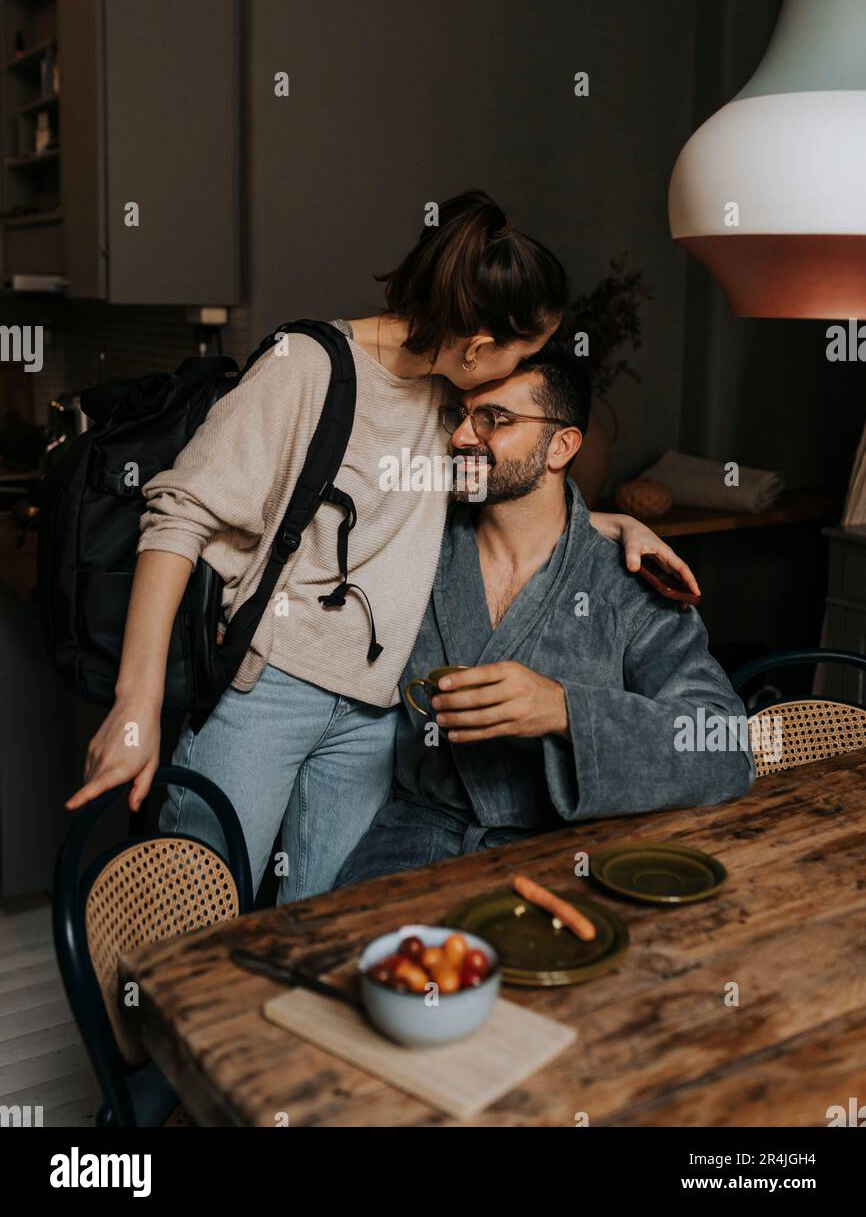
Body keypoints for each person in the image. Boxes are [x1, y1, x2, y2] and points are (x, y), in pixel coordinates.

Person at [68, 189, 699, 904]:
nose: (528, 365)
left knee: (327, 926)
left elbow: (511, 483)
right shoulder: (305, 368)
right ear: (479, 346)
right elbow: (178, 517)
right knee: (194, 907)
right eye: (525, 349)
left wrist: (610, 526)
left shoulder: (450, 400)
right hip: (267, 690)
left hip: (374, 717)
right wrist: (136, 703)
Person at [336, 338, 753, 886]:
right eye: (461, 416)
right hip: (414, 846)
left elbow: (723, 747)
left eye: (495, 419)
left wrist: (565, 712)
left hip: (569, 852)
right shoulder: (412, 543)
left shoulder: (627, 582)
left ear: (561, 447)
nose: (463, 437)